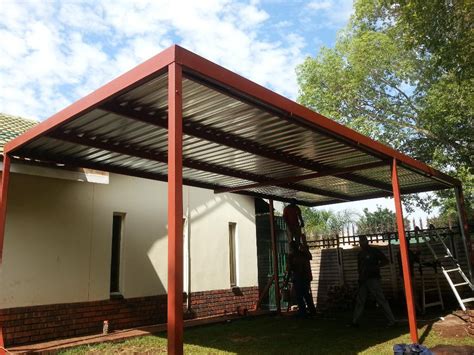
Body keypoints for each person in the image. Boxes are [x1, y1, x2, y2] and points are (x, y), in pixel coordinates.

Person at [351, 235, 396, 327]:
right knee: (360, 300)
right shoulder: (360, 254)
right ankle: (355, 321)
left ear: (366, 242)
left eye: (362, 241)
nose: (361, 243)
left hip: (373, 279)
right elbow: (359, 268)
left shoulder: (374, 251)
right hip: (363, 280)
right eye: (360, 241)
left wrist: (376, 267)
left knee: (381, 299)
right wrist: (360, 278)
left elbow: (386, 261)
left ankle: (392, 321)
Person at [286, 241, 316, 317]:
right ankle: (311, 311)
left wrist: (287, 280)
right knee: (306, 294)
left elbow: (290, 269)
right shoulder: (302, 254)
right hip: (305, 277)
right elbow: (310, 256)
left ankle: (303, 312)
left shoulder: (292, 256)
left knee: (300, 295)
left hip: (299, 277)